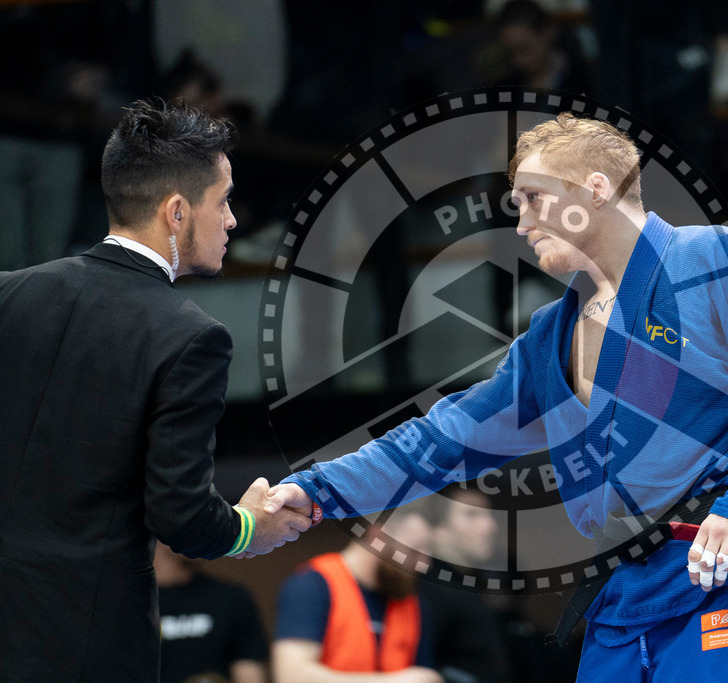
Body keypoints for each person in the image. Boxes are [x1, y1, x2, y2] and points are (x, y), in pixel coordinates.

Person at [266, 112, 728, 681]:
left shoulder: (713, 259)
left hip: (716, 571)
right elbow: (442, 439)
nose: (520, 224)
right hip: (620, 596)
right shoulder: (551, 336)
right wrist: (313, 490)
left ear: (595, 189)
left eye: (532, 200)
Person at [0, 99, 311, 682]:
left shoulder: (9, 293)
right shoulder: (191, 336)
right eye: (222, 201)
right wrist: (250, 528)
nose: (232, 220)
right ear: (176, 211)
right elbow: (183, 516)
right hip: (88, 645)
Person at [272, 503, 442, 682]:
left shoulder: (413, 603)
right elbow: (291, 676)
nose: (424, 563)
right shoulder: (313, 585)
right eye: (414, 551)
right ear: (378, 537)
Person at [418, 487, 512, 683]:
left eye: (489, 515)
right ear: (437, 528)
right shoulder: (426, 591)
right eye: (471, 514)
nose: (490, 526)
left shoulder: (470, 587)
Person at [154, 542, 270, 683]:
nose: (199, 534)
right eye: (187, 522)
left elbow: (249, 673)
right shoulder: (126, 606)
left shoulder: (232, 599)